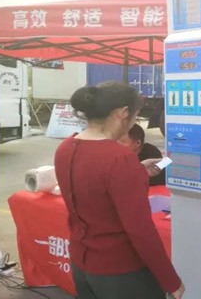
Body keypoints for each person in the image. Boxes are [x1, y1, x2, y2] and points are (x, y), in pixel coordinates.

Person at [54, 81, 184, 299]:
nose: (133, 122)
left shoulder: (65, 148)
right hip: (122, 273)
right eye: (135, 116)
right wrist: (170, 280)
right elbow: (140, 230)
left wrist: (137, 172)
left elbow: (93, 187)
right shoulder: (120, 159)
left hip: (82, 265)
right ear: (123, 113)